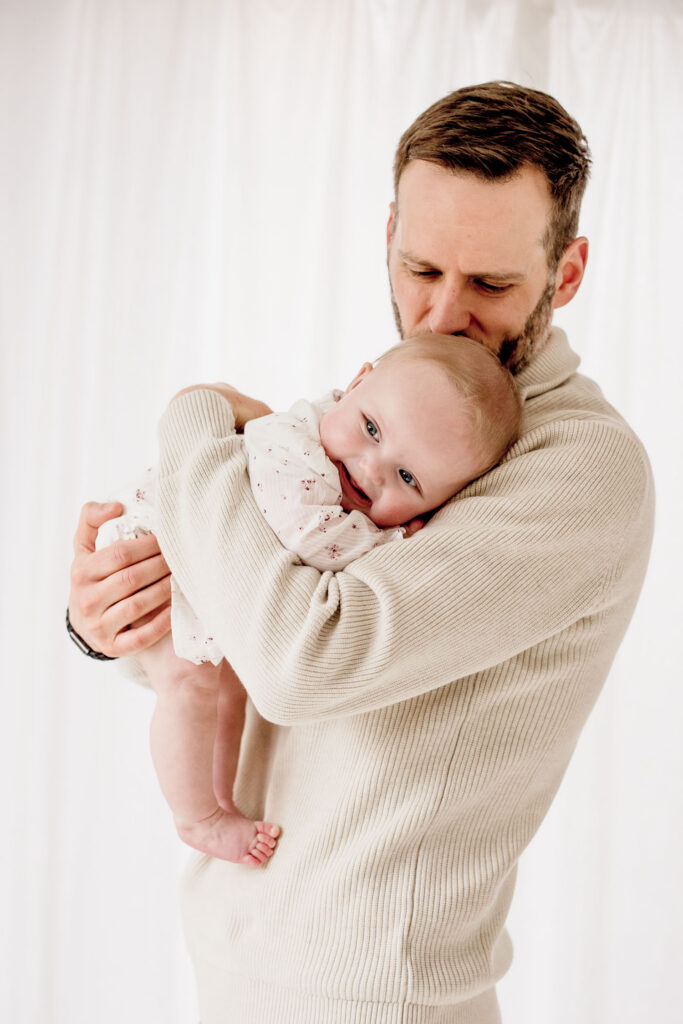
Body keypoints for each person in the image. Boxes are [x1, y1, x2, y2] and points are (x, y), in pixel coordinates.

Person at [67, 82, 654, 1023]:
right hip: (237, 964)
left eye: (492, 285)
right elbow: (244, 648)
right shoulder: (401, 415)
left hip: (374, 999)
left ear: (566, 272)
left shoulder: (579, 466)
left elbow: (304, 661)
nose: (441, 318)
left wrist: (195, 422)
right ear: (386, 233)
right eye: (421, 268)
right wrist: (117, 621)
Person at [95, 334, 522, 867]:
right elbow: (306, 538)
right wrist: (392, 540)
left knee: (230, 691)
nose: (371, 469)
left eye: (408, 477)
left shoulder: (340, 452)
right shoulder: (297, 450)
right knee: (188, 684)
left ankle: (220, 799)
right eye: (371, 429)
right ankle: (195, 817)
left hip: (206, 570)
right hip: (161, 544)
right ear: (356, 382)